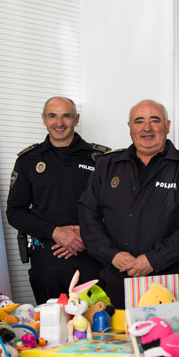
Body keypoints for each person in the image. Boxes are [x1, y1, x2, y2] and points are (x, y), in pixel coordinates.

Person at [78, 99, 179, 309]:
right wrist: (112, 255)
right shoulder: (107, 165)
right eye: (139, 121)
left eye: (154, 121)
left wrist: (153, 259)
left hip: (172, 279)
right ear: (130, 127)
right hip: (119, 276)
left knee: (173, 341)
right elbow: (88, 215)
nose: (147, 128)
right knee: (119, 341)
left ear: (167, 126)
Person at [6, 96, 109, 305]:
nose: (59, 123)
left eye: (66, 116)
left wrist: (85, 236)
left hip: (92, 256)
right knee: (53, 328)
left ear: (77, 119)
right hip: (48, 258)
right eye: (52, 116)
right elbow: (15, 212)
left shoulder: (101, 158)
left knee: (97, 326)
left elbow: (117, 209)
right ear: (43, 119)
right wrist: (56, 232)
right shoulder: (28, 160)